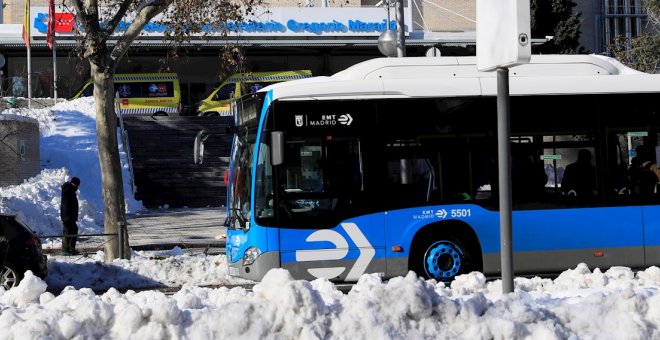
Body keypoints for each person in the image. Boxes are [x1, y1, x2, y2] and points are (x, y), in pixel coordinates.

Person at [60, 177, 80, 256]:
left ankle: (71, 248)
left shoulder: (70, 190)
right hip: (68, 216)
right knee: (68, 232)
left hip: (70, 216)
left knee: (73, 230)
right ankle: (65, 250)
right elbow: (67, 205)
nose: (77, 187)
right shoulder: (68, 190)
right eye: (77, 185)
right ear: (75, 184)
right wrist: (68, 216)